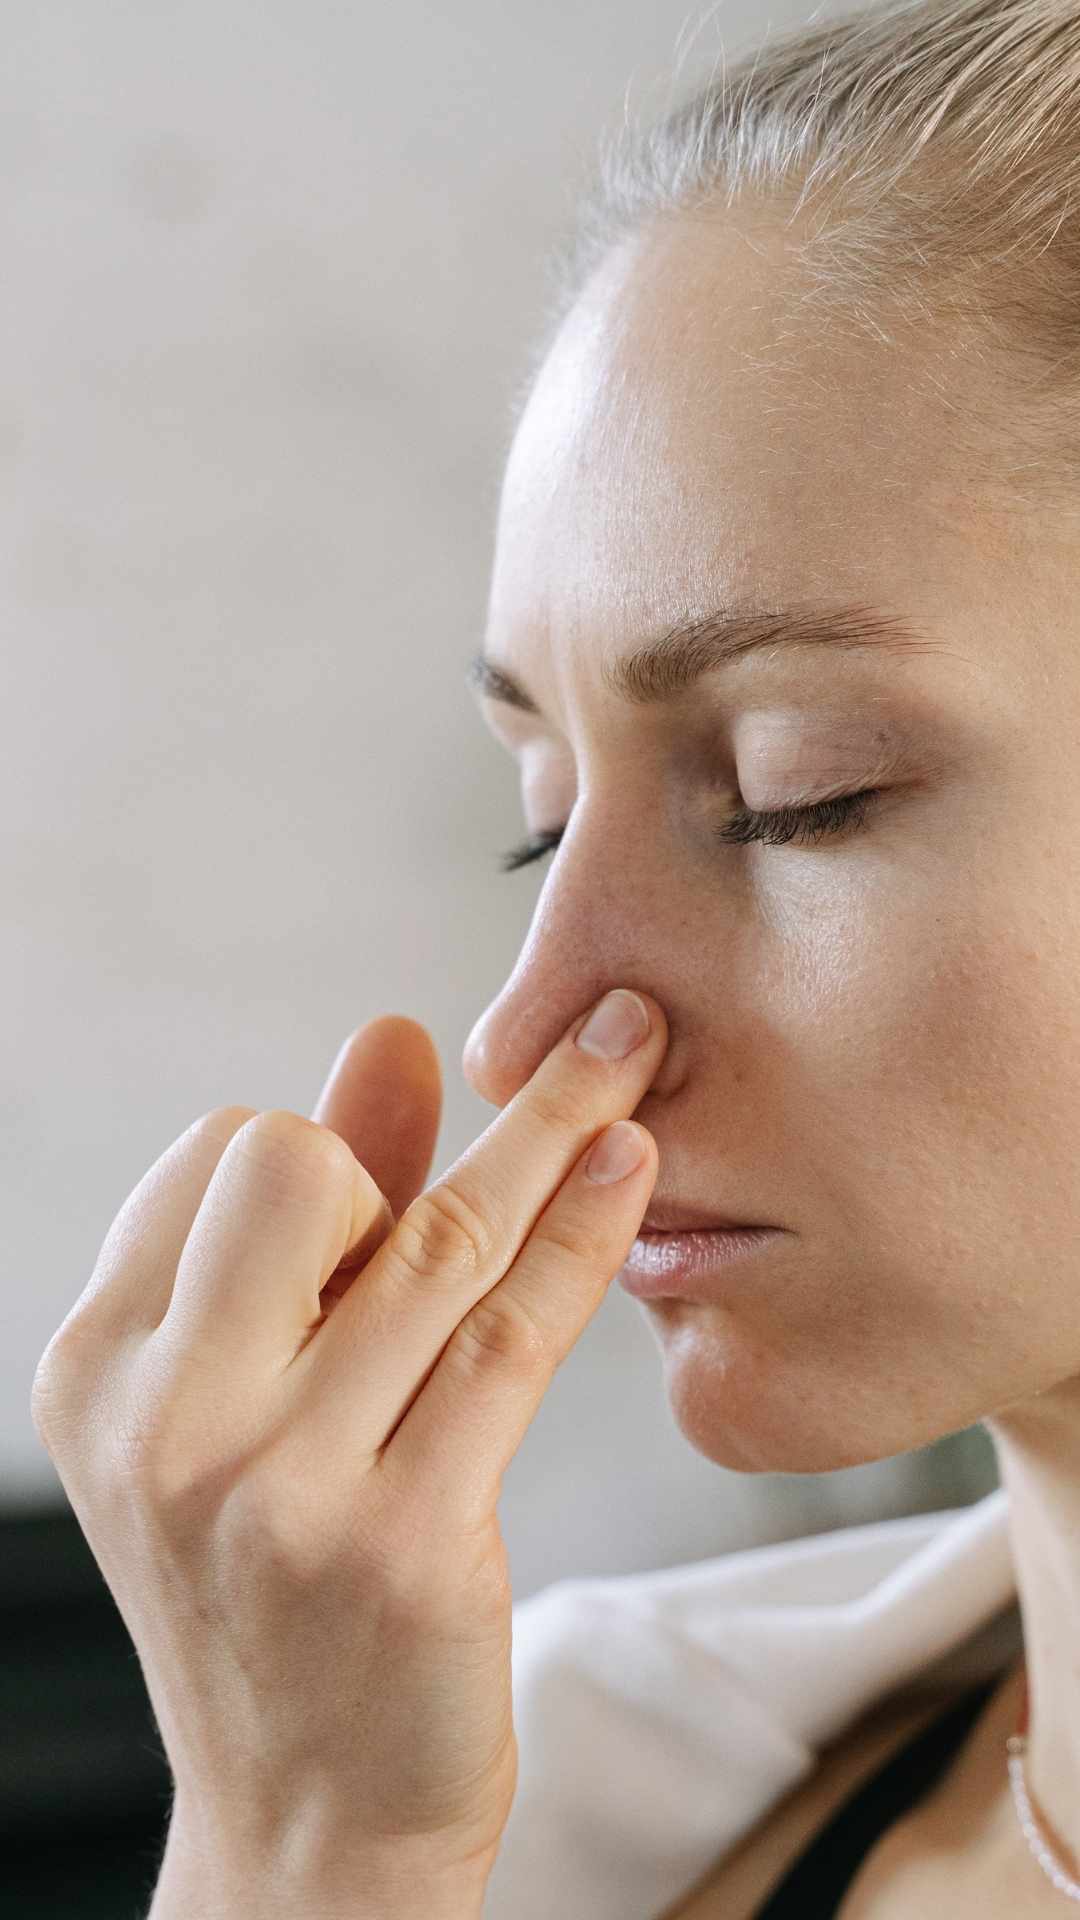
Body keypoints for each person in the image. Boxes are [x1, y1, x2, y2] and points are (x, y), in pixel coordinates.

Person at [29, 0, 1080, 1915]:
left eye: (796, 794)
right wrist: (305, 1846)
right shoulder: (562, 1838)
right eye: (538, 807)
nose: (532, 1026)